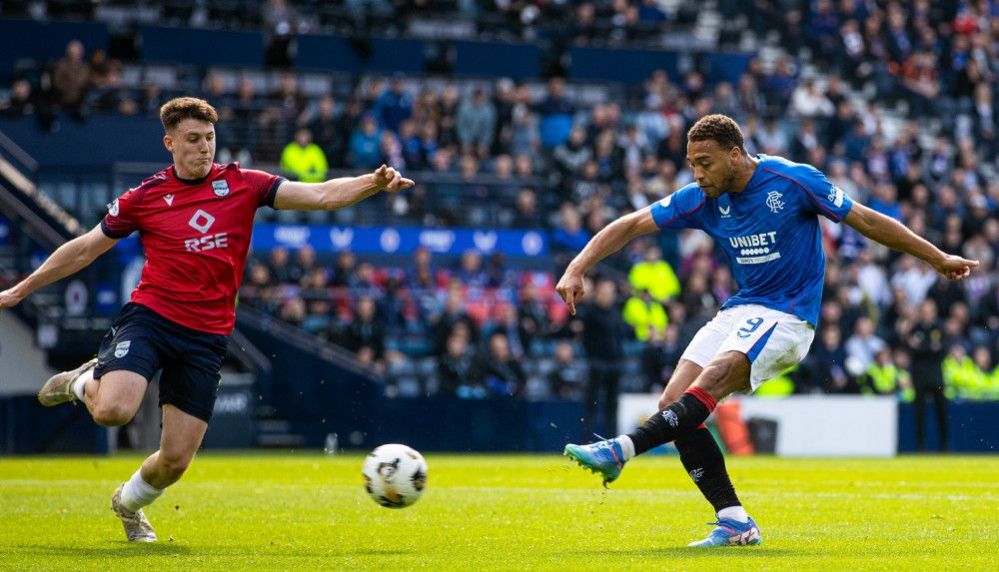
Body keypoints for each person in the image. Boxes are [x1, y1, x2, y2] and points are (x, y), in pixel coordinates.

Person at [0, 97, 413, 542]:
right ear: (170, 143)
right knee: (115, 410)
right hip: (152, 317)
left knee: (174, 462)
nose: (204, 148)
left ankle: (128, 503)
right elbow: (84, 247)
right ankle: (82, 383)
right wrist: (23, 288)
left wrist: (373, 182)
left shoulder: (244, 185)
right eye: (193, 140)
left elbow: (320, 194)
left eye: (210, 138)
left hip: (208, 337)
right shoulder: (145, 197)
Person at [556, 114, 978, 548]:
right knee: (673, 403)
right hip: (741, 309)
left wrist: (936, 257)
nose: (697, 173)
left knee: (713, 379)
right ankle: (735, 521)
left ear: (735, 154)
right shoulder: (702, 197)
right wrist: (576, 268)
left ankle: (621, 450)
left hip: (790, 315)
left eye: (705, 162)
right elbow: (630, 224)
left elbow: (867, 221)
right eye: (691, 163)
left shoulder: (792, 180)